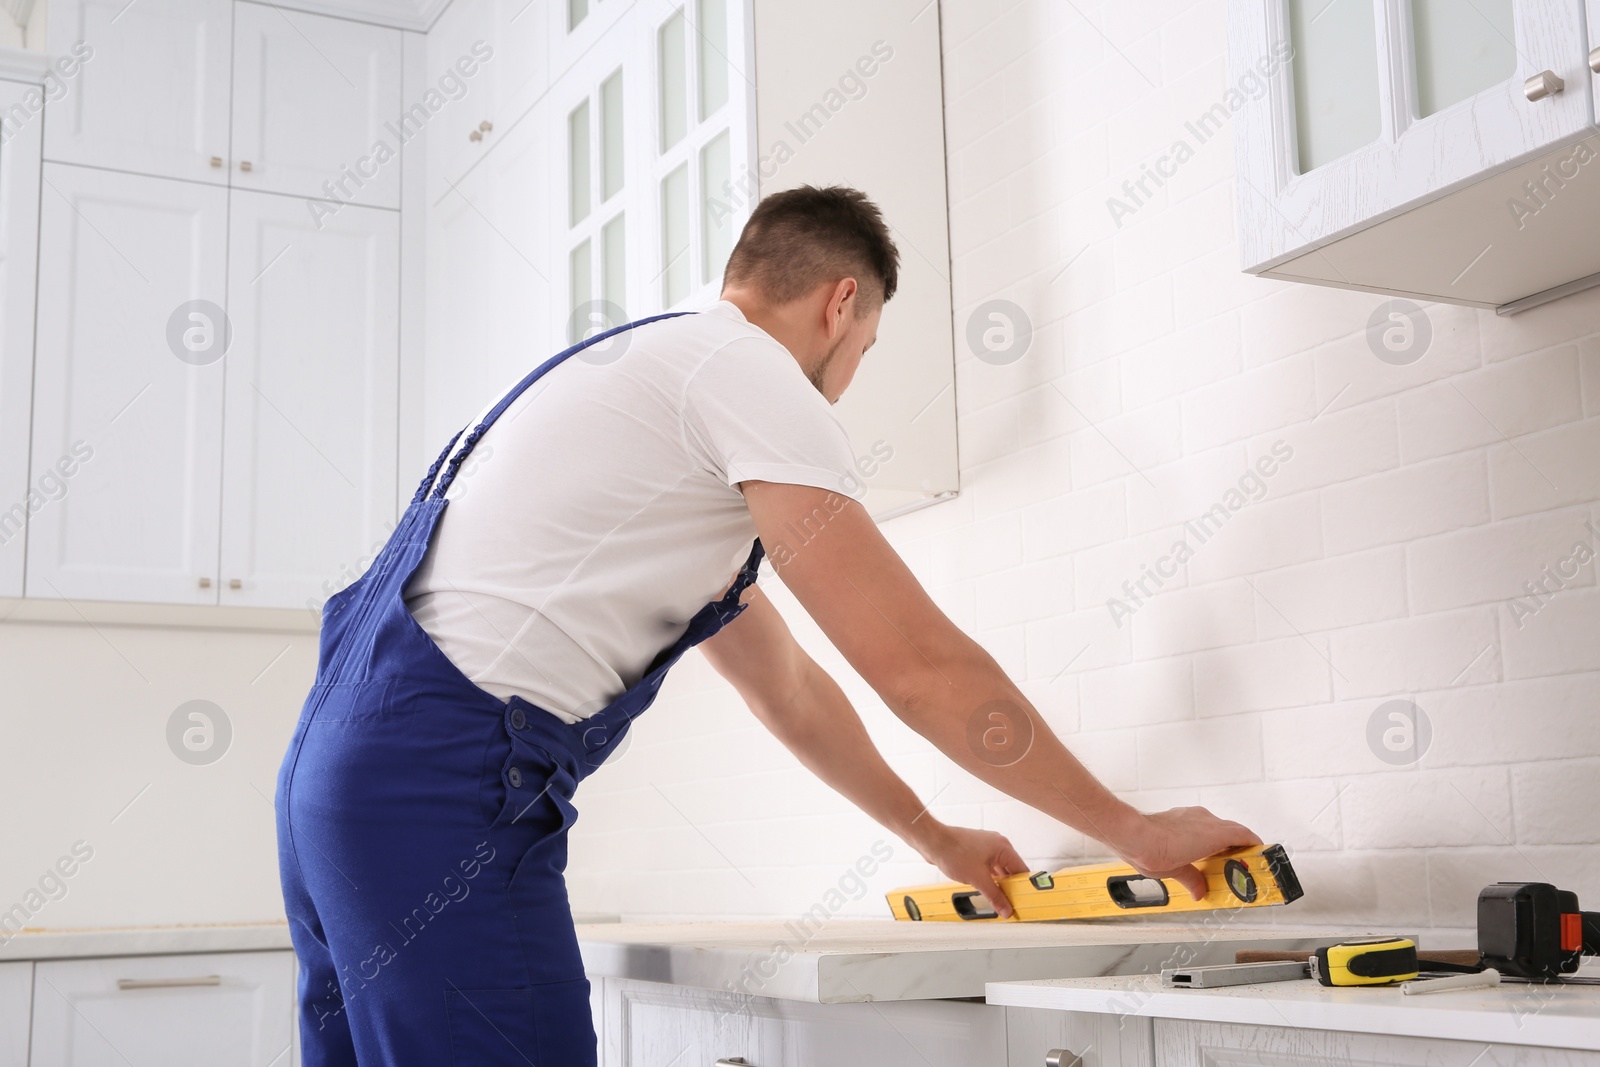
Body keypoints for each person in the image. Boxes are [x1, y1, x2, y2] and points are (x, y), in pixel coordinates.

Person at [275, 185, 1260, 1066]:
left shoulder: (651, 380)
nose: (848, 378)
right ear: (841, 302)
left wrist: (934, 836)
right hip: (434, 794)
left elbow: (786, 689)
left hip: (335, 783)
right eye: (865, 348)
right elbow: (915, 663)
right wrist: (1133, 828)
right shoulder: (751, 378)